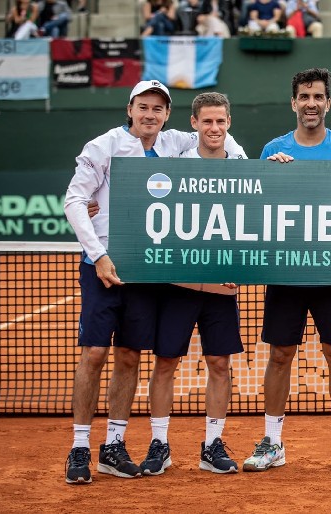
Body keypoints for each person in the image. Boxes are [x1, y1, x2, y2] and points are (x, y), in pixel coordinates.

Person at [63, 79, 245, 485]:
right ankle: (79, 446)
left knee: (129, 356)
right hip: (103, 265)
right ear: (130, 109)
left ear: (167, 115)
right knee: (94, 353)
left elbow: (220, 139)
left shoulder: (173, 142)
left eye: (158, 109)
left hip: (147, 270)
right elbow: (74, 201)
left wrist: (244, 160)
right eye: (143, 107)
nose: (150, 115)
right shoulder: (103, 146)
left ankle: (113, 447)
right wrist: (99, 255)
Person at [241, 68, 331, 473]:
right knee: (280, 354)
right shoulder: (273, 149)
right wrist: (271, 173)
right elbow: (260, 207)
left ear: (327, 103)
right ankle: (272, 443)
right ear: (293, 103)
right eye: (304, 96)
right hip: (287, 271)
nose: (310, 103)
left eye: (317, 97)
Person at [138, 92, 246, 477]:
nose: (214, 128)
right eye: (207, 121)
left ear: (228, 123)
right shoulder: (176, 164)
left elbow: (252, 222)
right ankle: (159, 444)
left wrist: (238, 265)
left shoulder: (242, 166)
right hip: (178, 286)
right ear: (194, 123)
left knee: (219, 363)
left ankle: (212, 445)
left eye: (220, 121)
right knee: (166, 361)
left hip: (222, 287)